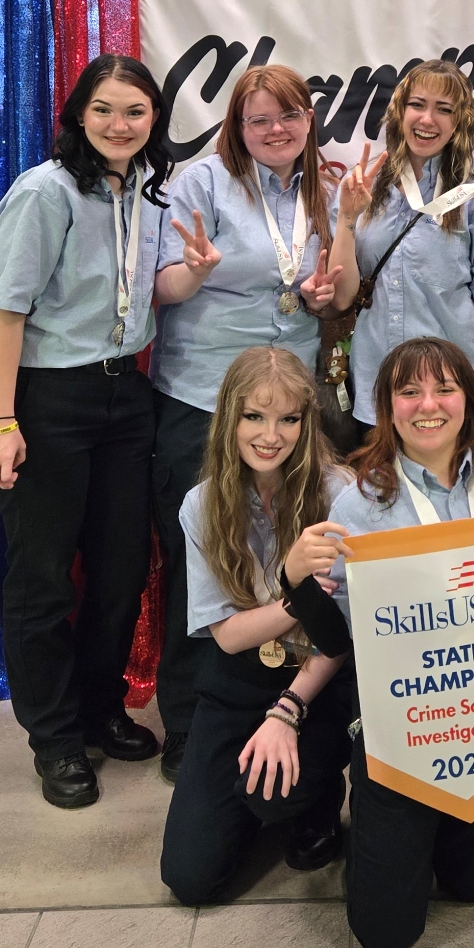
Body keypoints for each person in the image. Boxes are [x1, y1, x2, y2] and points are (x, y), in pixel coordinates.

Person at [309, 337, 474, 948]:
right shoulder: (360, 501)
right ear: (386, 408)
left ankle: (445, 829)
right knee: (384, 935)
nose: (428, 405)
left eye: (445, 388)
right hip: (405, 720)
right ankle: (381, 822)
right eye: (408, 392)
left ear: (470, 399)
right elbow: (341, 629)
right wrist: (306, 585)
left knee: (473, 886)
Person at [0, 54, 170, 809]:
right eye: (104, 110)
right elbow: (6, 315)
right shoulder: (43, 191)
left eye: (135, 112)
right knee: (42, 579)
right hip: (49, 398)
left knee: (121, 572)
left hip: (127, 398)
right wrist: (2, 421)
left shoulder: (147, 196)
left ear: (154, 120)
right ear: (78, 117)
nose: (119, 125)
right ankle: (56, 740)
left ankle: (99, 710)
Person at [151, 65, 341, 781]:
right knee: (200, 562)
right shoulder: (201, 183)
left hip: (287, 410)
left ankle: (279, 705)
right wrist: (196, 271)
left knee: (286, 561)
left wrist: (321, 297)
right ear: (237, 125)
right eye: (258, 119)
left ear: (307, 120)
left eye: (288, 116)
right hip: (204, 403)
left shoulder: (323, 186)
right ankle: (188, 724)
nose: (275, 131)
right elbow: (165, 285)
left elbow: (319, 289)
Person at [159, 347, 356, 905]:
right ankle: (258, 797)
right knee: (190, 878)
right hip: (238, 681)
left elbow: (340, 635)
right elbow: (228, 635)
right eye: (255, 416)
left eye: (289, 419)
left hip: (318, 680)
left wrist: (288, 710)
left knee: (272, 798)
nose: (271, 435)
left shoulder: (338, 492)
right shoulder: (202, 504)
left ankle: (310, 799)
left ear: (306, 421)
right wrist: (295, 591)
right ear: (229, 418)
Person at [327, 60, 474, 434]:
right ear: (400, 111)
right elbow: (342, 299)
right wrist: (347, 219)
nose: (428, 119)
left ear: (460, 122)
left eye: (444, 109)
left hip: (457, 389)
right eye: (418, 104)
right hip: (380, 385)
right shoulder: (360, 189)